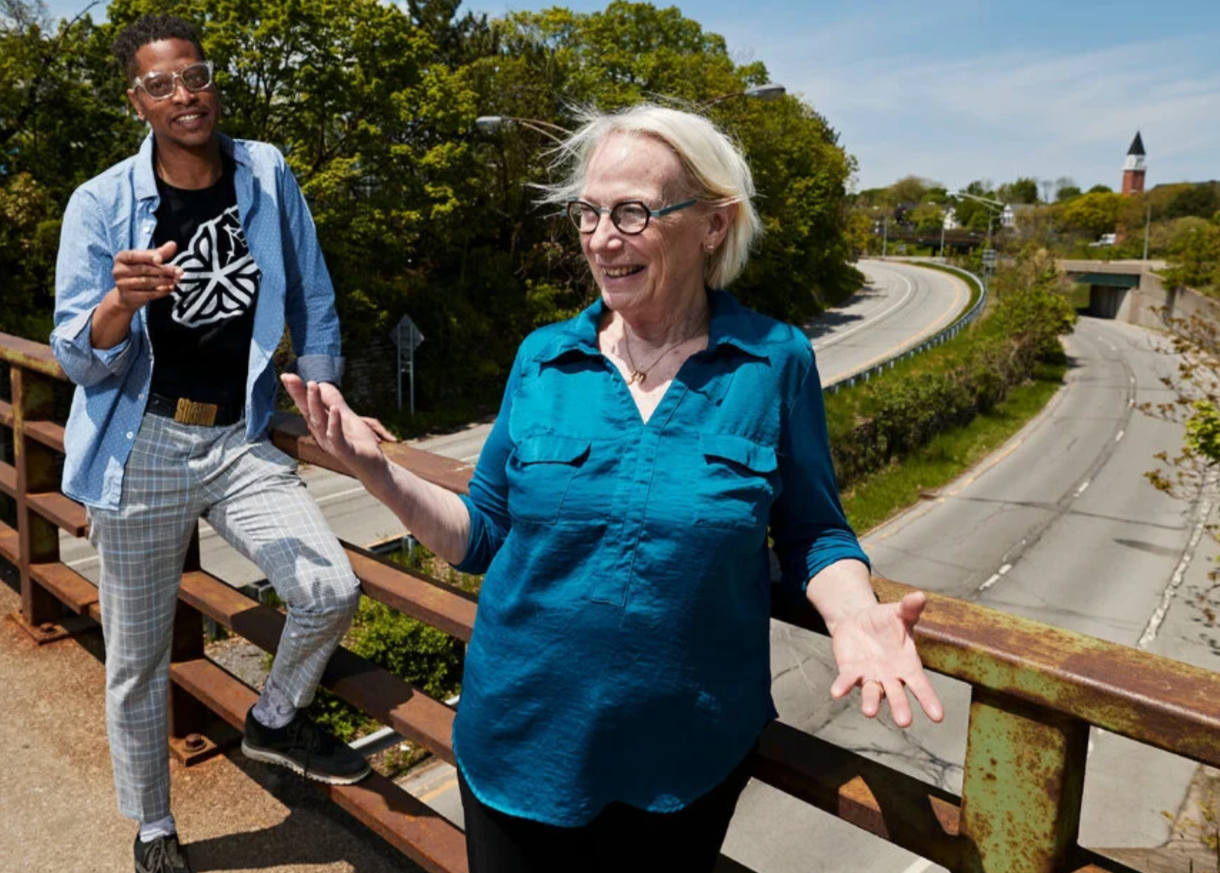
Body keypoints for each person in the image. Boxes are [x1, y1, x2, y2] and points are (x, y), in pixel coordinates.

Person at [282, 104, 944, 873]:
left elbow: (811, 534)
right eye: (587, 213)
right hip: (521, 739)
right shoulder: (542, 358)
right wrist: (376, 471)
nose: (601, 238)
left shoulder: (774, 362)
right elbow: (480, 535)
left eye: (631, 211)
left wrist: (854, 612)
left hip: (685, 754)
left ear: (713, 225)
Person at [51, 15, 393, 873]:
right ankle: (154, 826)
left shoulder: (267, 170)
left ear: (211, 81)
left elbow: (312, 289)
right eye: (160, 85)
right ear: (137, 100)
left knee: (327, 586)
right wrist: (121, 304)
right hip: (144, 446)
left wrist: (324, 395)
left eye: (193, 76)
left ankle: (274, 719)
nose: (183, 95)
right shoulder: (101, 203)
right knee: (137, 660)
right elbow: (74, 355)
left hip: (239, 435)